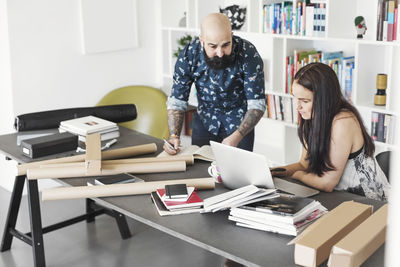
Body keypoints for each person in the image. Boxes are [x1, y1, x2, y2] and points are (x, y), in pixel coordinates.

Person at [271, 62, 390, 201]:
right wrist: (275, 172)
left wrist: (298, 175)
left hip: (374, 202)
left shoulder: (343, 122)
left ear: (323, 100)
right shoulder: (311, 118)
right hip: (342, 197)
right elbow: (304, 164)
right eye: (295, 98)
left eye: (304, 100)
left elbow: (327, 183)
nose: (297, 106)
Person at [163, 13, 265, 155]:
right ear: (202, 41)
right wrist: (174, 135)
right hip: (205, 122)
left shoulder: (248, 53)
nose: (220, 53)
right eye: (213, 46)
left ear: (232, 35)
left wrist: (236, 137)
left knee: (238, 174)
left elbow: (257, 104)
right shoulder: (189, 54)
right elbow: (177, 100)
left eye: (226, 44)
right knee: (201, 169)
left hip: (240, 125)